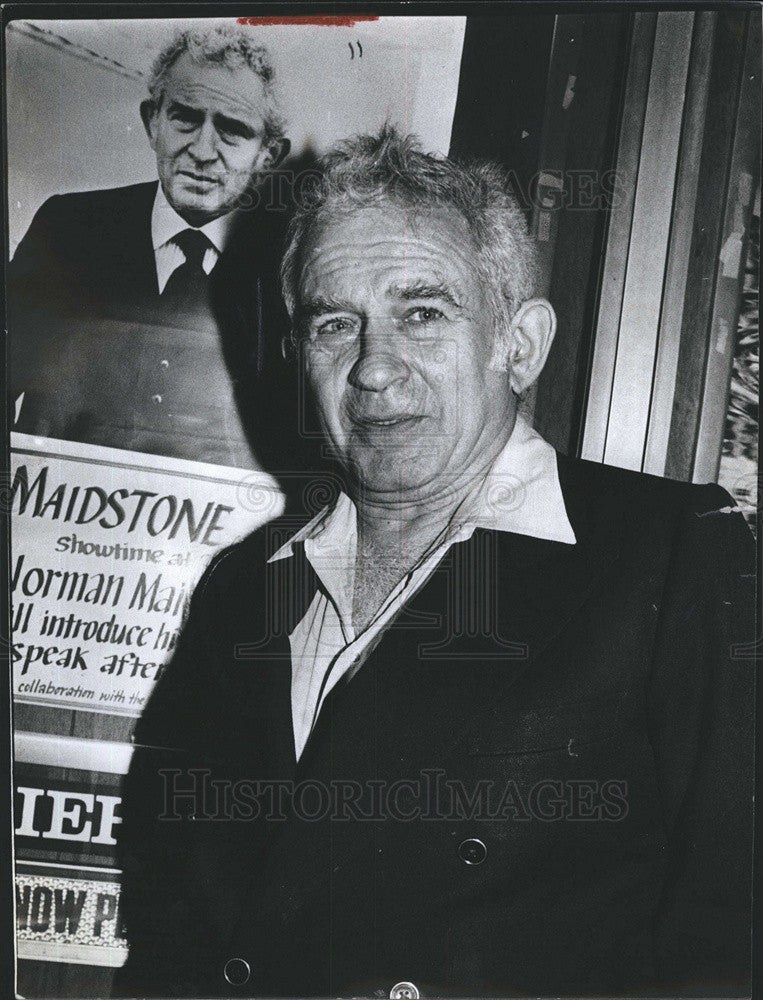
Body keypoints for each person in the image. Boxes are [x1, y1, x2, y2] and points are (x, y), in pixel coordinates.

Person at [115, 127, 754, 999]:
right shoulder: (248, 588)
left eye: (423, 312)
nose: (374, 368)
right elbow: (174, 913)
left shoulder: (673, 553)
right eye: (334, 323)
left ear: (519, 345)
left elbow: (732, 932)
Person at [7, 25, 292, 468]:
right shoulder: (68, 229)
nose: (202, 150)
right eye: (185, 117)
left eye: (233, 130)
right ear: (151, 122)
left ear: (268, 155)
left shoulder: (289, 268)